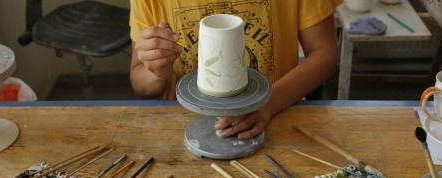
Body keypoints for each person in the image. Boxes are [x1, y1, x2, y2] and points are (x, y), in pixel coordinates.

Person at [130, 0, 343, 140]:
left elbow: (324, 52)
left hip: (278, 118)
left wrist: (269, 103)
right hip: (185, 128)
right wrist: (156, 71)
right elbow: (141, 82)